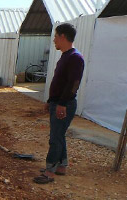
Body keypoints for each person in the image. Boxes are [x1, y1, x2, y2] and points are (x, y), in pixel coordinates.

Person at [33, 23, 85, 184]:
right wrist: (51, 101)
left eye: (56, 36)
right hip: (58, 102)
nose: (54, 40)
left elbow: (73, 84)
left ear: (63, 36)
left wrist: (62, 104)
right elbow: (59, 82)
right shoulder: (65, 56)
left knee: (55, 138)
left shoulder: (75, 58)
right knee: (59, 135)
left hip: (65, 104)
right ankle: (62, 166)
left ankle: (50, 171)